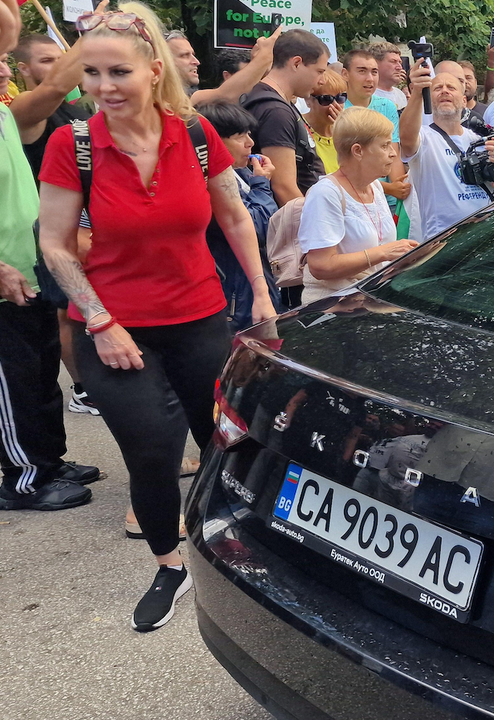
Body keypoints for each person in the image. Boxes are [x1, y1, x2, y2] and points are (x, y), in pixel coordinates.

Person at [37, 3, 275, 631]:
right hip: (116, 331)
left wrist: (261, 292)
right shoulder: (75, 144)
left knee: (226, 441)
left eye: (118, 72)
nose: (102, 88)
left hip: (200, 319)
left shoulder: (194, 134)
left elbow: (234, 216)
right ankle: (170, 565)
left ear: (152, 70)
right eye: (91, 74)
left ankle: (240, 543)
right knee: (151, 446)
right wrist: (101, 319)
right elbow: (55, 244)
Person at [0, 29, 97, 512]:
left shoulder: (1, 113)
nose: (3, 70)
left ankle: (48, 460)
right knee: (13, 380)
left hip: (29, 268)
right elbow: (58, 85)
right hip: (3, 277)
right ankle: (24, 477)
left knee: (40, 373)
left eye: (3, 59)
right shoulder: (19, 112)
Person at [297, 107, 417, 304]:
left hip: (370, 301)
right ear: (358, 151)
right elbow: (320, 266)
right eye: (385, 145)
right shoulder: (326, 193)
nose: (393, 154)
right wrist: (384, 253)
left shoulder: (375, 187)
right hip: (334, 309)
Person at [400, 62, 494, 241]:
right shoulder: (423, 138)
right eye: (437, 88)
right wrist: (417, 92)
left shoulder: (481, 139)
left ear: (464, 100)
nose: (445, 91)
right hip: (446, 244)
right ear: (429, 99)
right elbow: (406, 139)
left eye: (451, 87)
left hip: (489, 235)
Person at [196, 101, 282, 331]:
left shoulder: (240, 173)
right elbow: (259, 226)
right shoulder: (208, 184)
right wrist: (262, 183)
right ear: (213, 141)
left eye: (249, 134)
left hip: (251, 293)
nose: (250, 143)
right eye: (239, 136)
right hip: (236, 302)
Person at [241, 29, 329, 206]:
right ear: (296, 63)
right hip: (289, 223)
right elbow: (283, 187)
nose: (322, 81)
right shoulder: (276, 111)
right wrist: (314, 226)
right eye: (319, 71)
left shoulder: (274, 101)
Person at [341, 49, 409, 208]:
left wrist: (399, 186)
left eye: (374, 72)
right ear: (345, 74)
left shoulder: (387, 106)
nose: (369, 79)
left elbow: (393, 152)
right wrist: (388, 189)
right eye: (362, 71)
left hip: (387, 201)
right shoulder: (336, 106)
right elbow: (341, 165)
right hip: (351, 199)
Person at [166, 27, 276, 105]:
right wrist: (264, 58)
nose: (196, 62)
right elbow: (225, 95)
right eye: (184, 55)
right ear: (161, 60)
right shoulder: (162, 98)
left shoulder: (183, 96)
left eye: (193, 55)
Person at [302, 68, 345, 174]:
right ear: (308, 100)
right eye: (326, 99)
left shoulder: (346, 131)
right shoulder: (299, 126)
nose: (335, 105)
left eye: (340, 98)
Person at [365, 41, 407, 112]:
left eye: (400, 62)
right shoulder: (365, 95)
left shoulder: (401, 95)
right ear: (375, 63)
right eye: (393, 61)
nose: (399, 67)